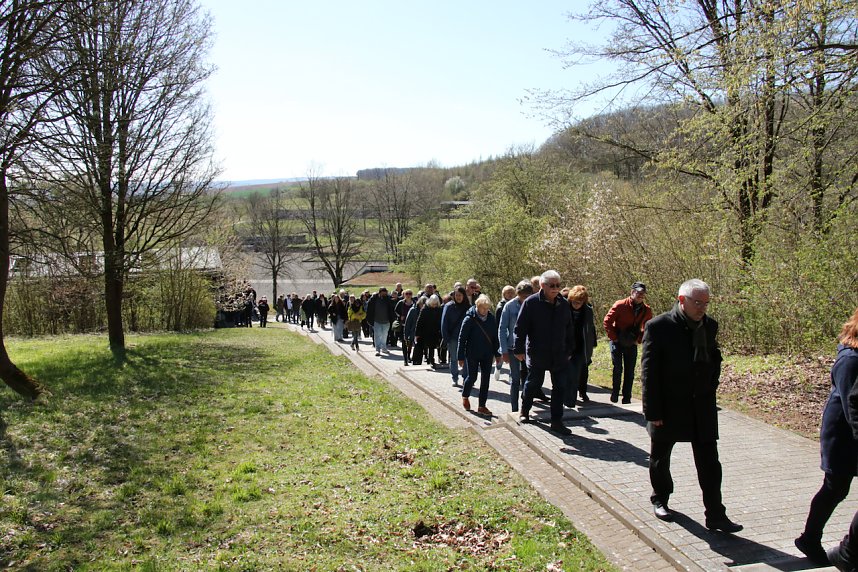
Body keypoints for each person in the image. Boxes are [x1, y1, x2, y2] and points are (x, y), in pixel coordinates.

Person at [642, 279, 742, 532]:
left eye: (706, 303)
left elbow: (713, 359)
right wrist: (653, 411)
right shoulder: (659, 326)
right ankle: (660, 499)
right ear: (681, 300)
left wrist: (711, 385)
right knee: (660, 458)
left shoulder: (709, 326)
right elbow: (649, 373)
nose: (702, 308)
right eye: (697, 302)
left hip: (701, 405)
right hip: (668, 405)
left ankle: (716, 514)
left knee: (710, 462)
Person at [795, 307, 858, 566]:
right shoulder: (850, 360)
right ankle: (810, 539)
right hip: (843, 435)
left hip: (850, 431)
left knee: (836, 488)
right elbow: (851, 404)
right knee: (835, 488)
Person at [514, 270, 575, 436]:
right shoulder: (531, 303)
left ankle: (556, 421)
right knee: (533, 384)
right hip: (537, 353)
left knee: (560, 387)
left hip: (559, 354)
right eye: (552, 285)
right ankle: (525, 410)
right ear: (542, 286)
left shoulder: (563, 304)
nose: (556, 288)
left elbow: (569, 329)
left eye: (558, 285)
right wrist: (518, 349)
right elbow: (520, 328)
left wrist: (570, 349)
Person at [604, 281, 653, 404]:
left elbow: (648, 327)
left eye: (643, 293)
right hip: (617, 341)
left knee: (630, 371)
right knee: (618, 368)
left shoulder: (646, 310)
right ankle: (615, 393)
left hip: (631, 343)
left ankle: (627, 398)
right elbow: (607, 321)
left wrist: (639, 340)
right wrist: (614, 337)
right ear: (632, 292)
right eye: (638, 292)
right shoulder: (620, 305)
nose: (640, 295)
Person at [458, 294, 502, 416]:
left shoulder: (491, 318)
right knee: (472, 377)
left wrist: (497, 354)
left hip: (487, 354)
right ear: (478, 306)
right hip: (472, 353)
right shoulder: (469, 319)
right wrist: (460, 356)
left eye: (487, 308)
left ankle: (482, 405)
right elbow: (462, 339)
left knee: (486, 379)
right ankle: (465, 395)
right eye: (483, 308)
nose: (486, 310)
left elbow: (494, 337)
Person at [499, 280, 534, 412]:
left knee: (530, 379)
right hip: (512, 347)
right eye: (522, 296)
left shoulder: (535, 305)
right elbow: (502, 329)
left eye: (527, 296)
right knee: (515, 379)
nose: (525, 299)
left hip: (530, 348)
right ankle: (514, 408)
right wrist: (503, 350)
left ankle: (526, 408)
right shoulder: (509, 306)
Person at [565, 286, 597, 408]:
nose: (576, 305)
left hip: (580, 346)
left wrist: (592, 344)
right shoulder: (564, 308)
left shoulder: (588, 311)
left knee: (576, 373)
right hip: (566, 346)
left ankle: (571, 401)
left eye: (579, 302)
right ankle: (568, 399)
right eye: (574, 302)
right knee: (567, 374)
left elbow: (591, 329)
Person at [441, 287, 470, 387]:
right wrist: (446, 338)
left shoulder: (468, 307)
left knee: (466, 359)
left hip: (466, 338)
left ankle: (466, 378)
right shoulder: (448, 306)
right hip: (453, 337)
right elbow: (444, 323)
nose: (458, 297)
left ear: (463, 296)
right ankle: (455, 378)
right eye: (456, 295)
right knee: (454, 359)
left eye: (460, 295)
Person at [413, 294, 442, 366]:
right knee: (423, 346)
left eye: (435, 304)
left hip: (434, 331)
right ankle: (419, 360)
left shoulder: (439, 309)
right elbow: (419, 322)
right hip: (425, 331)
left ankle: (431, 359)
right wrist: (417, 334)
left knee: (432, 346)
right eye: (433, 304)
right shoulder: (425, 309)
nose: (434, 306)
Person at [366, 287, 395, 356]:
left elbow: (392, 307)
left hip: (386, 321)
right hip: (376, 321)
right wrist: (369, 319)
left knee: (385, 336)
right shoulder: (374, 299)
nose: (384, 294)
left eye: (385, 293)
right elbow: (369, 309)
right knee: (377, 335)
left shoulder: (388, 299)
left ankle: (384, 348)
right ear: (380, 292)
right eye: (383, 293)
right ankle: (377, 350)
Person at [394, 290, 415, 365]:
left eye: (410, 293)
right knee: (404, 342)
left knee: (410, 342)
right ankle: (405, 359)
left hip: (412, 326)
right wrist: (400, 316)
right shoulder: (401, 303)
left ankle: (408, 356)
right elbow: (395, 311)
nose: (408, 295)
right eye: (407, 294)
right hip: (403, 325)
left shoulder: (414, 303)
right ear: (404, 295)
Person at [404, 296, 426, 364]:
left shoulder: (425, 310)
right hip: (412, 331)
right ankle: (408, 357)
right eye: (423, 303)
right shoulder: (413, 310)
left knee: (419, 347)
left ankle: (417, 359)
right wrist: (406, 334)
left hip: (421, 332)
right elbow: (408, 323)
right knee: (410, 345)